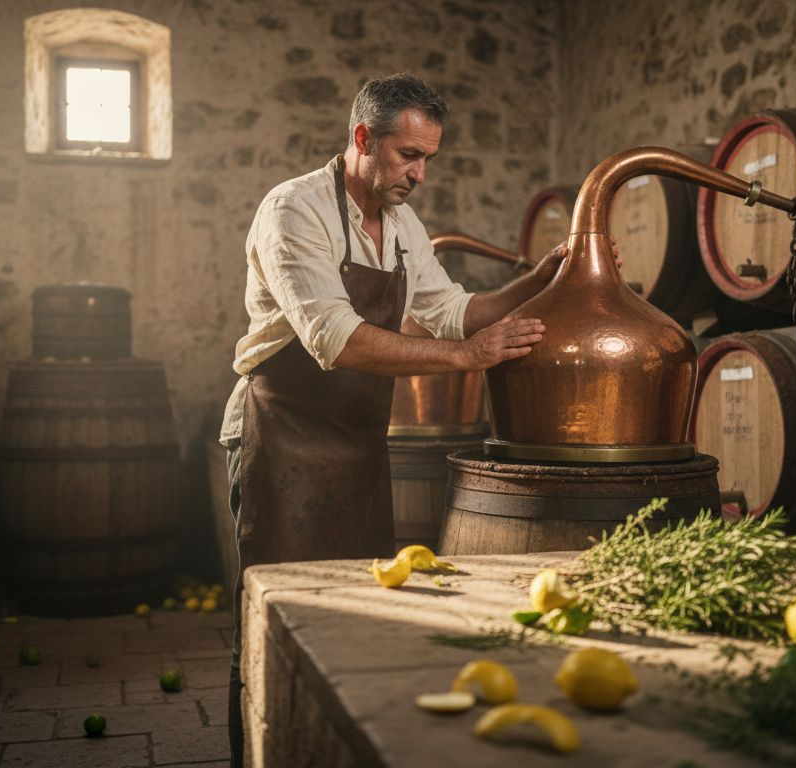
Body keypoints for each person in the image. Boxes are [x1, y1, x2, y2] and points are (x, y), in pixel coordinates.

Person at [219, 73, 568, 766]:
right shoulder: (295, 210)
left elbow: (453, 309)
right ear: (361, 139)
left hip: (354, 443)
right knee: (274, 621)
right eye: (408, 155)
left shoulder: (402, 223)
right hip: (280, 432)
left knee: (354, 615)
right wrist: (466, 358)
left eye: (428, 158)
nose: (419, 173)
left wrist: (545, 278)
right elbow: (334, 338)